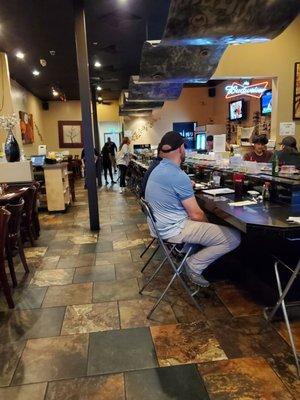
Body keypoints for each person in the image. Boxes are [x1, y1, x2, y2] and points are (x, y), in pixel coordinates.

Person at [145, 131, 241, 287]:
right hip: (173, 229)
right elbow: (196, 214)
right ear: (181, 149)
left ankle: (186, 253)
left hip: (158, 227)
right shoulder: (177, 175)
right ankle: (193, 265)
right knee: (233, 237)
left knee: (208, 224)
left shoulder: (158, 169)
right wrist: (209, 225)